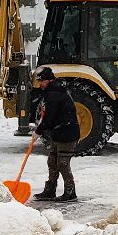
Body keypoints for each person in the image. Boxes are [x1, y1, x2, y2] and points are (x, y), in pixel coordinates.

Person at [31, 66, 80, 202]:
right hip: (59, 132)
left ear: (49, 80)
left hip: (67, 132)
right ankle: (50, 190)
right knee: (52, 161)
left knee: (62, 163)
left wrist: (38, 131)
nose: (40, 84)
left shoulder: (54, 93)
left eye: (41, 81)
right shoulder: (52, 91)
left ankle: (70, 192)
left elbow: (49, 117)